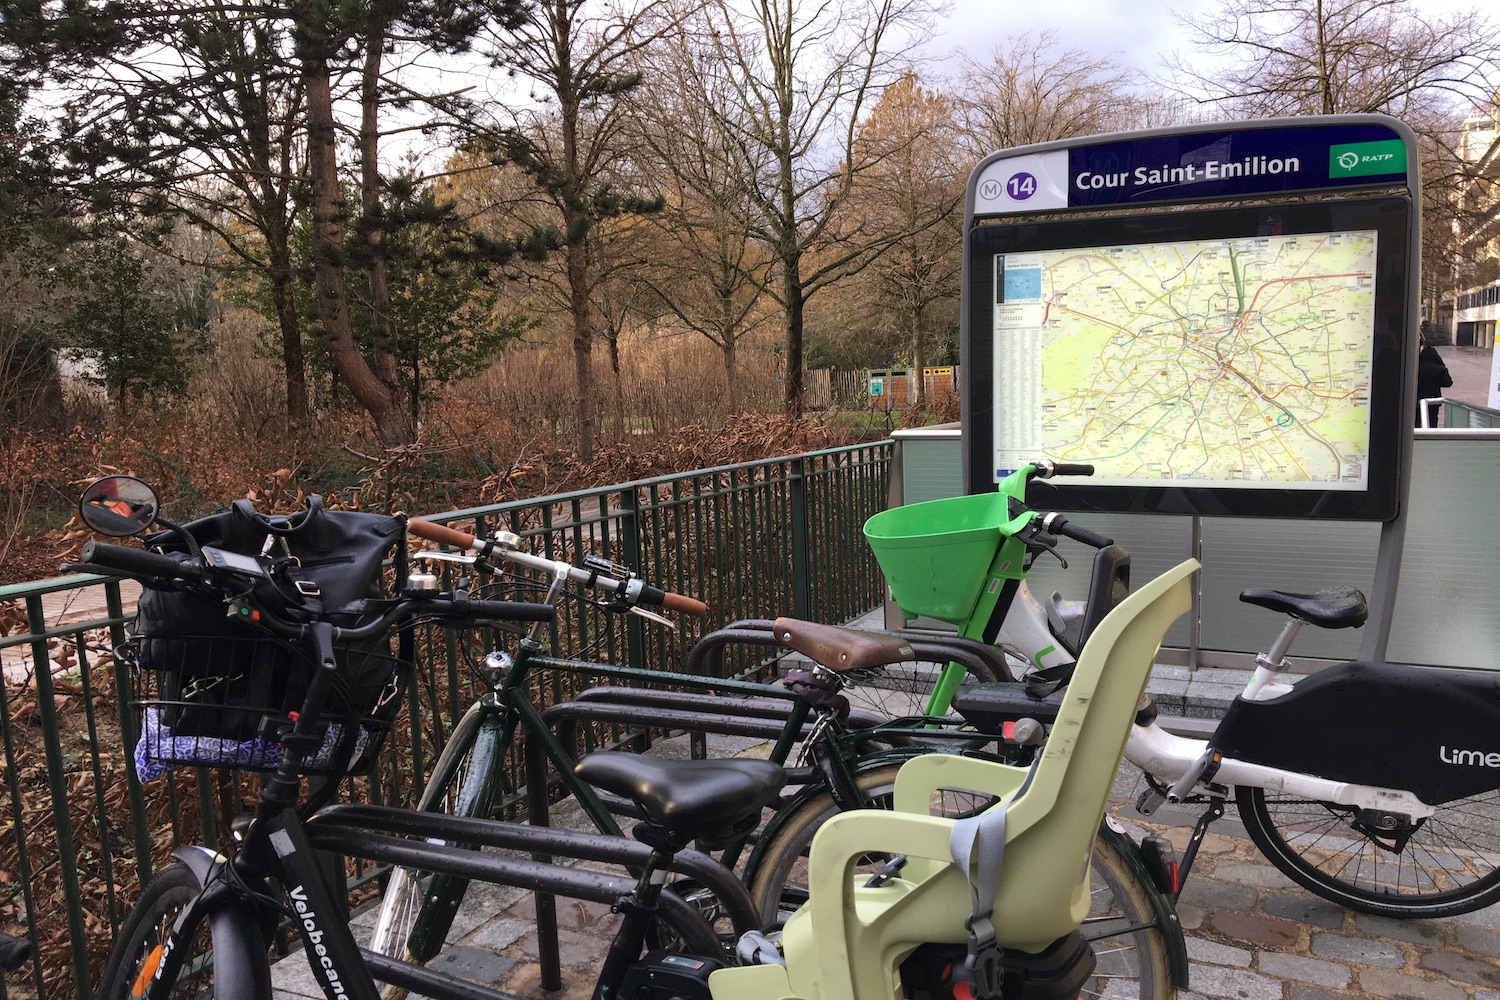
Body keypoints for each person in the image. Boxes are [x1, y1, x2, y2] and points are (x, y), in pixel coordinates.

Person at [1416, 334, 1453, 428]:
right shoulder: (1441, 369)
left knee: (1416, 420)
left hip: (1417, 398)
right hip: (1433, 400)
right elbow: (1448, 383)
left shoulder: (1416, 368)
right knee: (1432, 420)